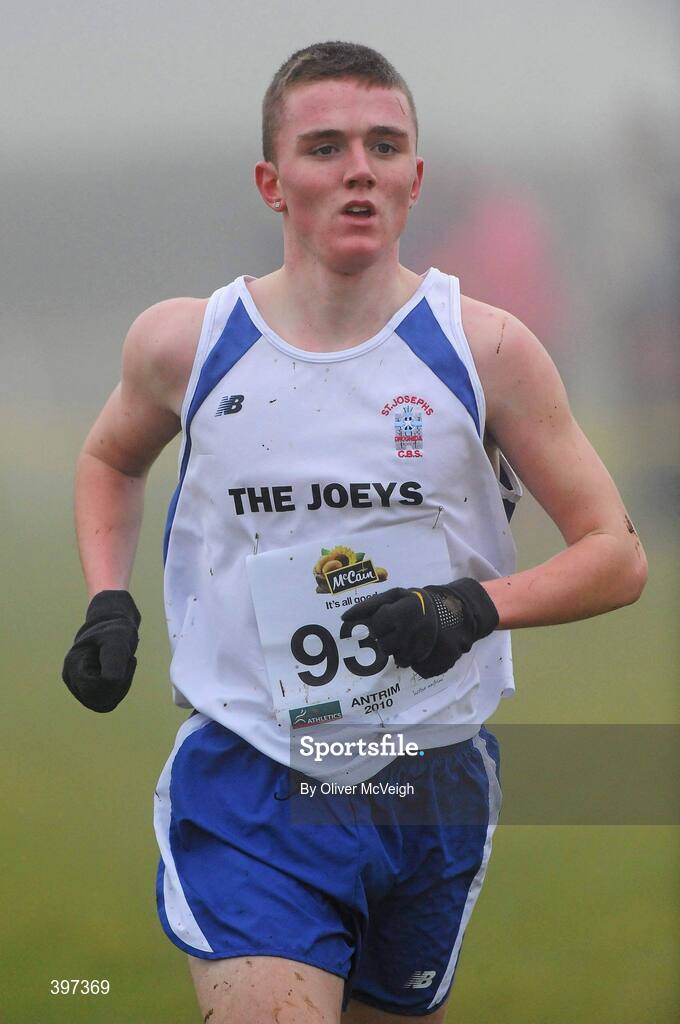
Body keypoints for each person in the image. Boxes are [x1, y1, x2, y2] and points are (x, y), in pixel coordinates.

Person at [61, 41, 647, 1024]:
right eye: (324, 146)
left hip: (430, 785)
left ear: (415, 176)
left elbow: (615, 553)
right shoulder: (186, 342)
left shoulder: (485, 349)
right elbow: (110, 458)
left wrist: (468, 607)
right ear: (270, 180)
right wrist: (106, 599)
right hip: (254, 780)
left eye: (383, 145)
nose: (357, 169)